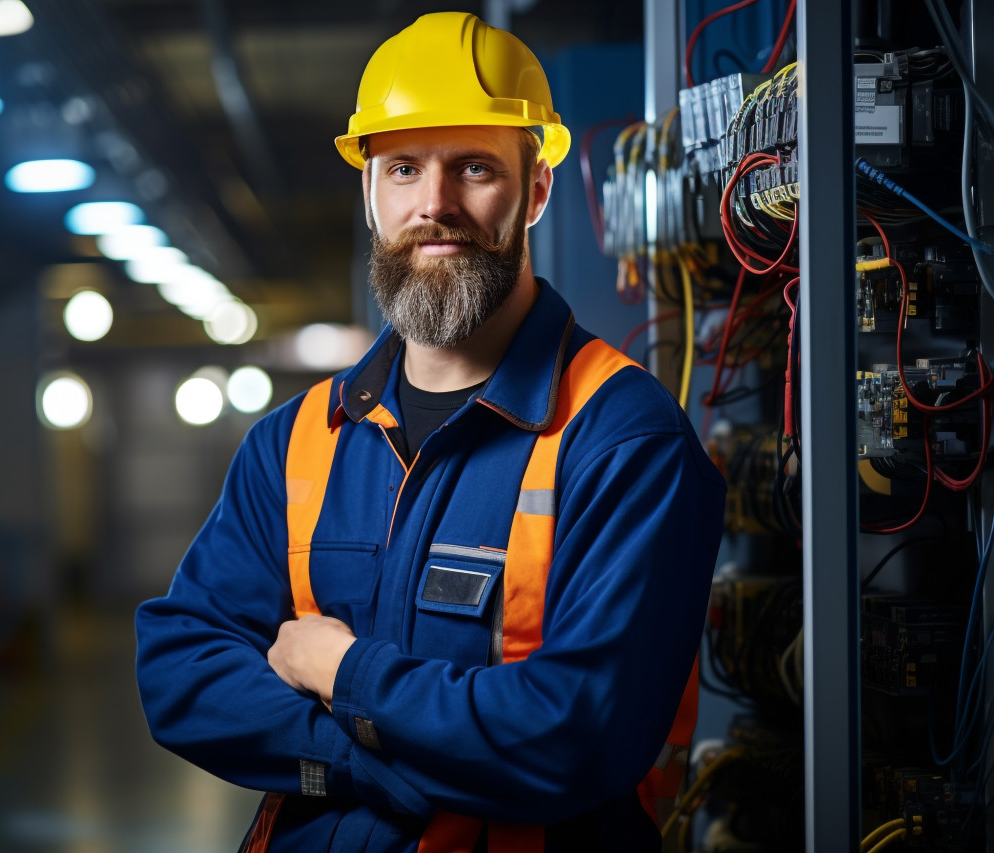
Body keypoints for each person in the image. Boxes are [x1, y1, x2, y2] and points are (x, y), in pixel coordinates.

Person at [135, 11, 725, 853]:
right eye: (404, 167)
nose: (434, 205)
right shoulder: (298, 441)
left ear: (538, 188)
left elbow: (574, 736)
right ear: (369, 192)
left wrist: (340, 673)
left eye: (474, 166)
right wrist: (372, 760)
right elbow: (179, 674)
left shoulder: (623, 440)